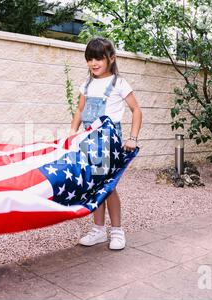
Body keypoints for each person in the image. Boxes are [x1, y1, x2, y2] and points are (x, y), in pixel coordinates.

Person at [69, 37, 143, 250]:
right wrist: (72, 132)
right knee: (94, 186)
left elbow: (136, 110)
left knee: (109, 187)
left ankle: (117, 231)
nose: (94, 63)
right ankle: (99, 230)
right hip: (88, 141)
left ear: (111, 58)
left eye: (98, 58)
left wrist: (133, 137)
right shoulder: (87, 84)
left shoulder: (119, 83)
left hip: (110, 141)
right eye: (90, 59)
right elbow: (80, 110)